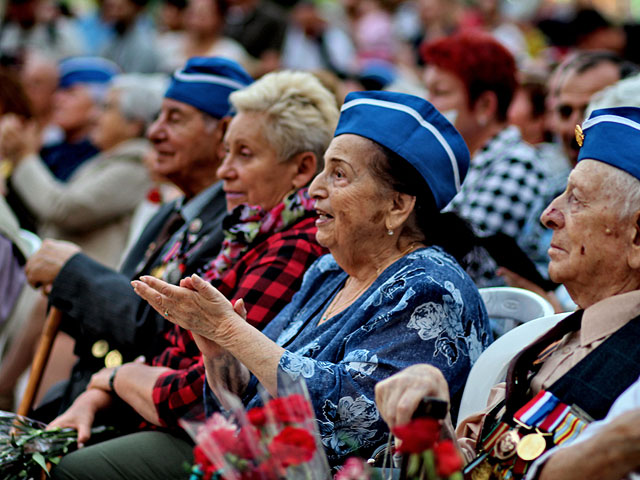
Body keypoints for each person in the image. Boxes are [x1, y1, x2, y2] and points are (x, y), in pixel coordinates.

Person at [128, 90, 492, 469]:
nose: (315, 188)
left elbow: (351, 422)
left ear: (398, 206)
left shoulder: (430, 289)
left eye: (338, 174)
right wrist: (220, 353)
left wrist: (231, 331)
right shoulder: (328, 272)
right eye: (322, 170)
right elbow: (253, 396)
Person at [48, 69, 339, 480]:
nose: (225, 172)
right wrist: (104, 387)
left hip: (206, 432)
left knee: (74, 469)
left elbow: (213, 389)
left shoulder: (294, 244)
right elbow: (172, 343)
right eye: (226, 153)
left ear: (301, 169)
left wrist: (118, 379)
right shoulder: (249, 229)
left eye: (245, 155)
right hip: (156, 409)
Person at [375, 106, 640, 479]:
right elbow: (486, 469)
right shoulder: (556, 340)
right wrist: (433, 424)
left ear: (637, 237)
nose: (549, 214)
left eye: (576, 199)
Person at [15, 57, 253, 420]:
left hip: (134, 410)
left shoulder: (235, 224)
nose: (155, 132)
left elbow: (160, 327)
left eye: (175, 119)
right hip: (91, 393)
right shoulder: (173, 212)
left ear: (223, 133)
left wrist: (72, 272)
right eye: (158, 117)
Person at [421, 32, 546, 285]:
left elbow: (461, 264)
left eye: (441, 93)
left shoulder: (517, 164)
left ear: (485, 105)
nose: (428, 105)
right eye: (429, 92)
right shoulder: (451, 161)